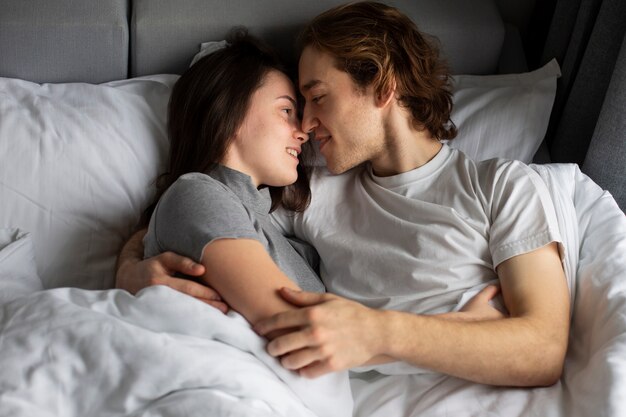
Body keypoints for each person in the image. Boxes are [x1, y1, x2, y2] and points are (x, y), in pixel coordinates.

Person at [117, 1, 570, 389]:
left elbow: (544, 350)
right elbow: (203, 208)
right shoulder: (309, 192)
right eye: (295, 107)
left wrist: (380, 333)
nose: (306, 126)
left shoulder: (503, 186)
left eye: (317, 98)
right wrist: (130, 272)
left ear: (380, 84)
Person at [136, 30, 328, 329]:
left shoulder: (272, 227)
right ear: (229, 113)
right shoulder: (197, 192)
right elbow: (295, 324)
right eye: (286, 110)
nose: (303, 131)